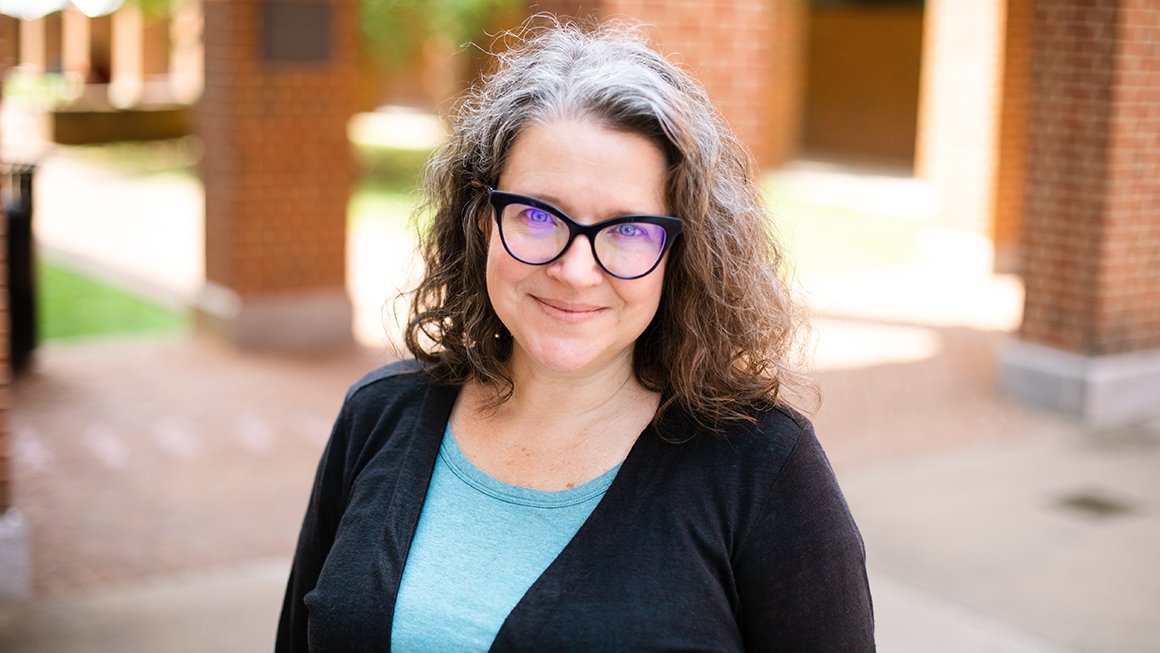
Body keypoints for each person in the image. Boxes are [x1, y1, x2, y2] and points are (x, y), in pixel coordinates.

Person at [277, 18, 874, 652]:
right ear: (483, 220)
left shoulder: (763, 470)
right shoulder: (378, 416)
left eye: (627, 230)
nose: (574, 271)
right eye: (537, 215)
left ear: (683, 252)